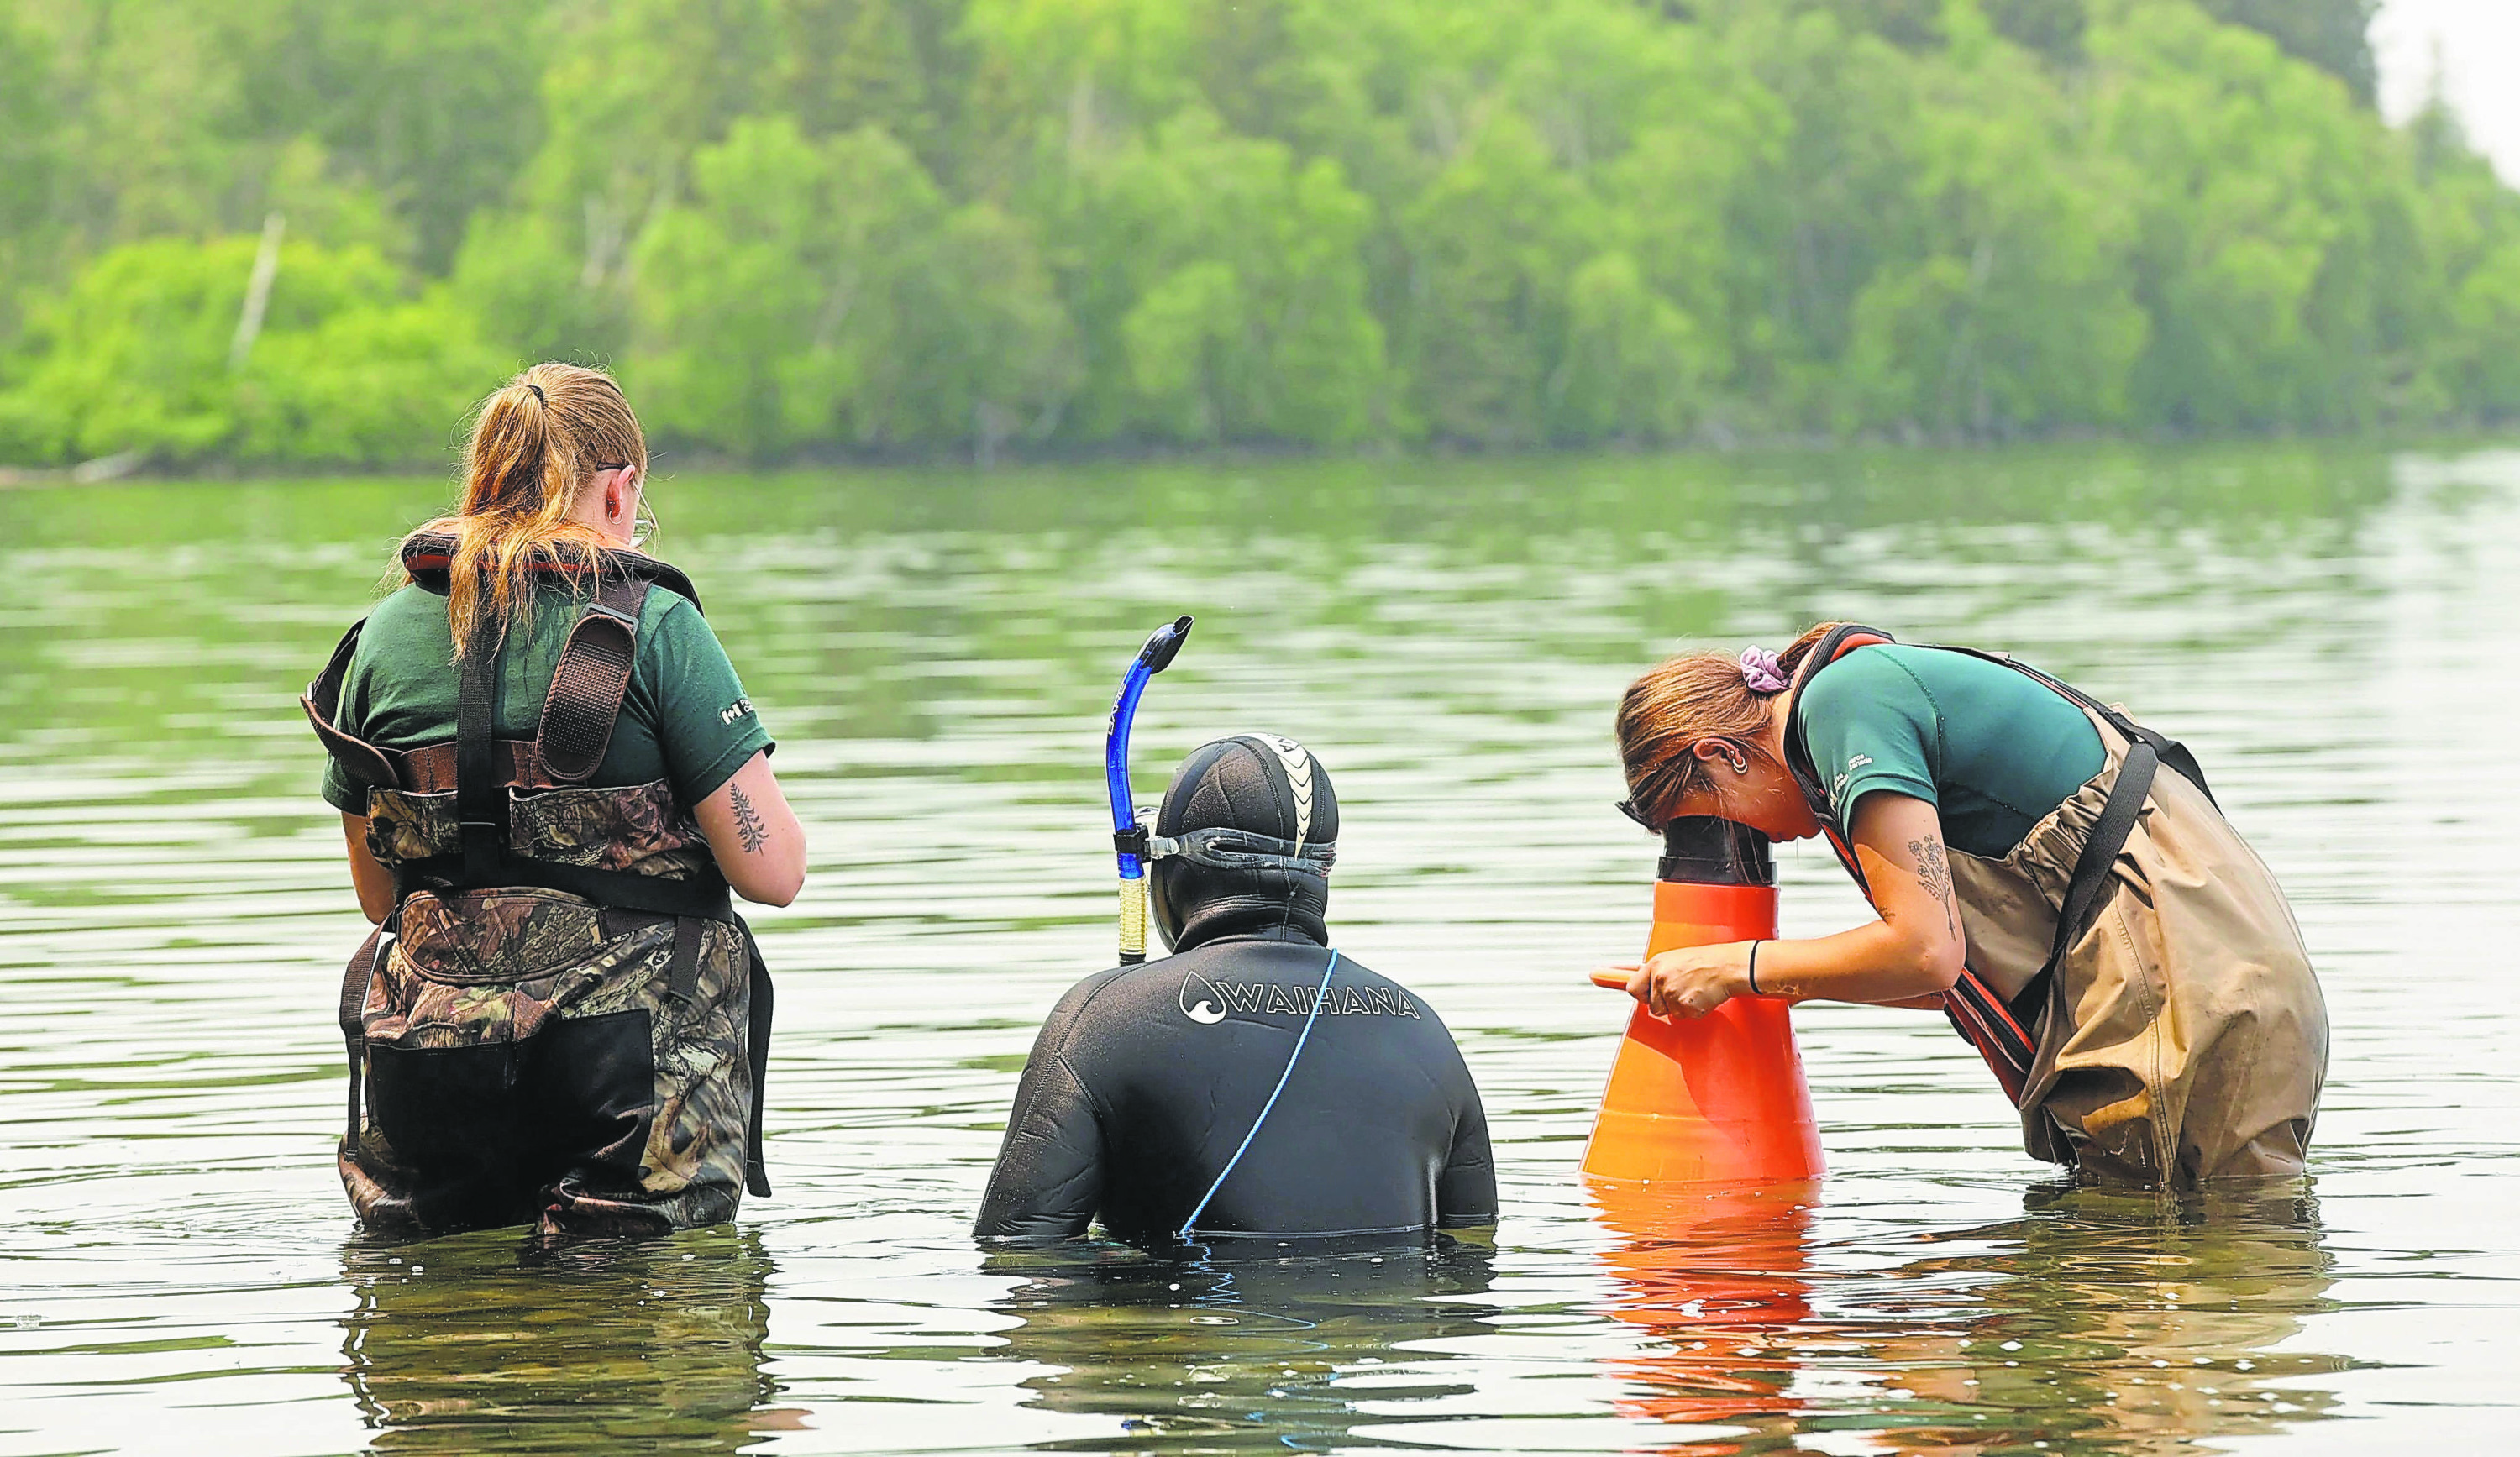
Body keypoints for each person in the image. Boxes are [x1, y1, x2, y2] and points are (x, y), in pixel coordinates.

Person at [302, 362, 805, 1238]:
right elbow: (773, 872)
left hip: (434, 1063)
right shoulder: (654, 623)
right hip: (631, 1076)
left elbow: (382, 897)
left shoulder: (379, 638)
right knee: (649, 1327)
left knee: (445, 1335)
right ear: (621, 489)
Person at [1608, 623, 2327, 1187]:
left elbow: (1925, 952)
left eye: (1707, 816)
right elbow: (1940, 980)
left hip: (2183, 998)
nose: (1743, 839)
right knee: (2187, 1297)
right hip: (2213, 981)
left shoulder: (1843, 705)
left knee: (2169, 1309)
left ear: (1717, 752)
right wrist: (1748, 985)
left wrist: (1744, 964)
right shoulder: (1860, 693)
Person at [974, 734, 1496, 1248]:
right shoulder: (1425, 1031)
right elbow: (1472, 1251)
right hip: (1380, 1327)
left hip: (1186, 1329)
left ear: (1174, 867)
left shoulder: (1101, 1020)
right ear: (1323, 872)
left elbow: (1015, 1256)